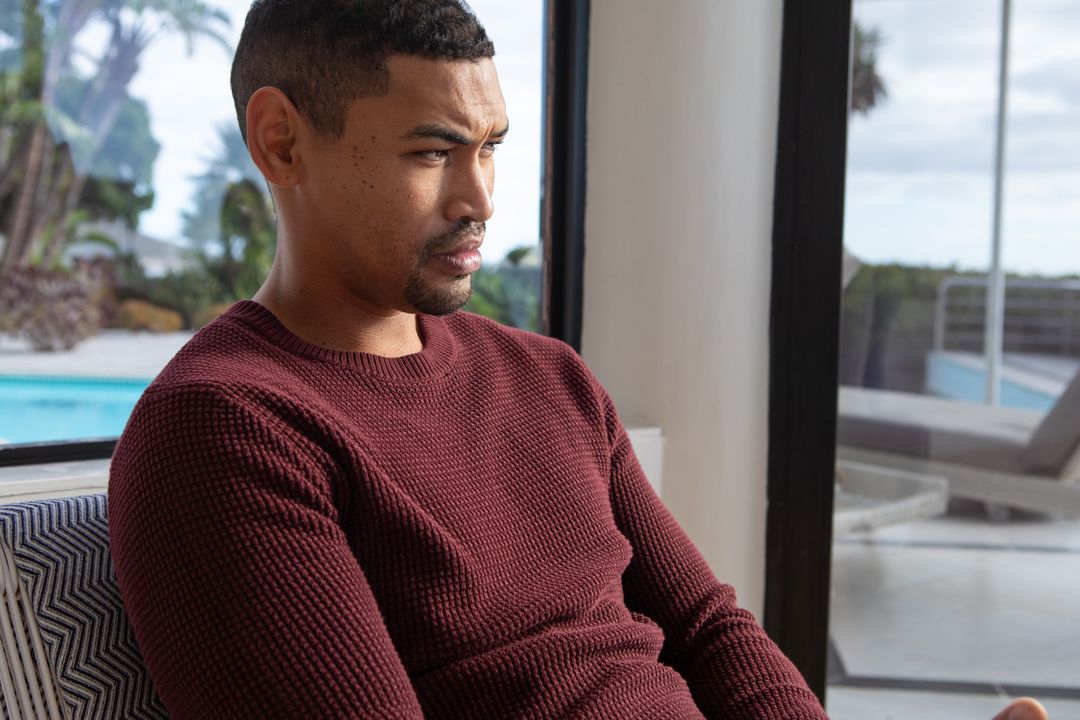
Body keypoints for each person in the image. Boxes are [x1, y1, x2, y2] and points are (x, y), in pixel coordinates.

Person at [106, 2, 1050, 719]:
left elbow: (710, 631)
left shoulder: (547, 377)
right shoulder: (226, 430)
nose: (479, 197)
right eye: (433, 152)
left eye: (491, 148)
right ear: (280, 141)